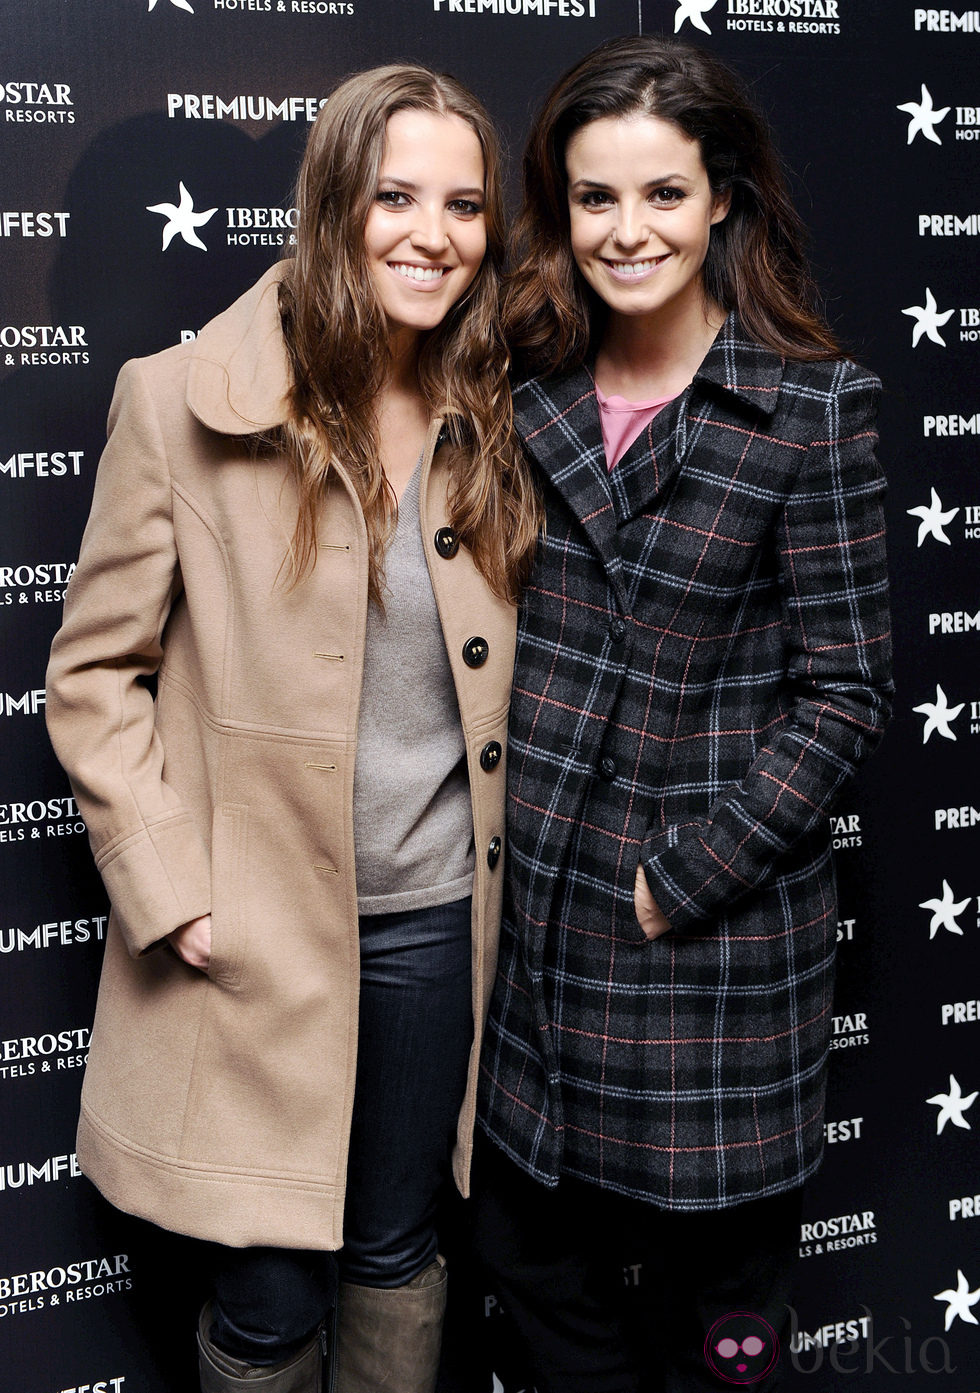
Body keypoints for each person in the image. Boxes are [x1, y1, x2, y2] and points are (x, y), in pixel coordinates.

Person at [45, 63, 540, 1393]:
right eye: (395, 196)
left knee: (397, 1257)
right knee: (265, 1306)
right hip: (250, 937)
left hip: (435, 919)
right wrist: (171, 887)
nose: (431, 233)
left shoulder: (497, 407)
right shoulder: (177, 400)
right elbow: (94, 675)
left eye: (464, 204)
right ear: (333, 203)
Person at [474, 35, 892, 1393]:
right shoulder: (519, 389)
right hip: (536, 954)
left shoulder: (808, 410)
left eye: (664, 194)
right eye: (596, 198)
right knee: (542, 1289)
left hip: (706, 963)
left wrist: (686, 874)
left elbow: (845, 692)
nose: (627, 230)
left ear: (723, 199)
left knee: (721, 1333)